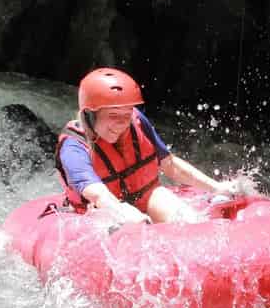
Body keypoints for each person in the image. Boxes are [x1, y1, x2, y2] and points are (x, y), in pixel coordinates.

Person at [55, 67, 238, 224]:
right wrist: (122, 212)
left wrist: (216, 187)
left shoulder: (136, 120)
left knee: (188, 221)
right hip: (98, 210)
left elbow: (169, 164)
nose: (121, 123)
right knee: (124, 225)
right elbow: (97, 195)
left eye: (125, 115)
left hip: (145, 195)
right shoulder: (73, 146)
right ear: (90, 115)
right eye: (113, 115)